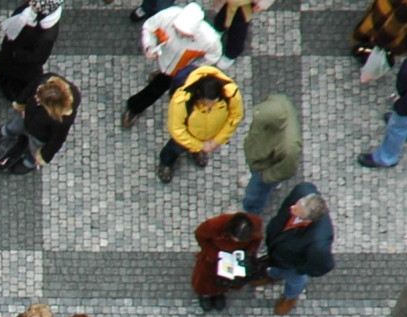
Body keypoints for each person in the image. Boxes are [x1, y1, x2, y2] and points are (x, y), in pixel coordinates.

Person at [121, 3, 218, 132]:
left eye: (184, 33)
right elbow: (149, 27)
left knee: (160, 90)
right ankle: (135, 107)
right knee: (157, 87)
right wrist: (149, 46)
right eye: (177, 30)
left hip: (182, 69)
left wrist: (195, 68)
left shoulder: (209, 39)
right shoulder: (167, 16)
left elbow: (214, 55)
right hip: (164, 59)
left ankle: (135, 107)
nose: (179, 33)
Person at [156, 65, 242, 184]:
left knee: (197, 148)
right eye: (206, 103)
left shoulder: (231, 94)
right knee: (173, 149)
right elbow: (176, 129)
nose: (210, 107)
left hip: (211, 134)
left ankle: (197, 152)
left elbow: (234, 118)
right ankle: (166, 163)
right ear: (199, 95)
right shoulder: (182, 101)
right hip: (187, 134)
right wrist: (199, 146)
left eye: (214, 103)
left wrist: (217, 140)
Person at [260, 183, 334, 315]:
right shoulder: (303, 191)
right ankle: (274, 275)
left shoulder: (318, 243)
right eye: (297, 204)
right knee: (275, 265)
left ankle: (291, 296)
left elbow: (323, 266)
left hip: (293, 262)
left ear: (308, 219)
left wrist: (299, 269)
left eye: (297, 210)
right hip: (278, 249)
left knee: (295, 280)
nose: (292, 207)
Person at [189, 213, 260, 313]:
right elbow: (200, 235)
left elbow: (256, 241)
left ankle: (219, 293)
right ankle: (205, 294)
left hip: (234, 257)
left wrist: (248, 253)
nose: (235, 241)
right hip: (213, 257)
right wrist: (212, 253)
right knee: (205, 278)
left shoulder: (255, 225)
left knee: (228, 278)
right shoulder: (215, 225)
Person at [242, 92, 299, 215]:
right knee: (260, 184)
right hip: (258, 155)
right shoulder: (278, 101)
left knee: (255, 191)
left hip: (265, 167)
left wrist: (266, 177)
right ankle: (269, 185)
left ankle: (251, 209)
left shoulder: (288, 145)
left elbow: (287, 169)